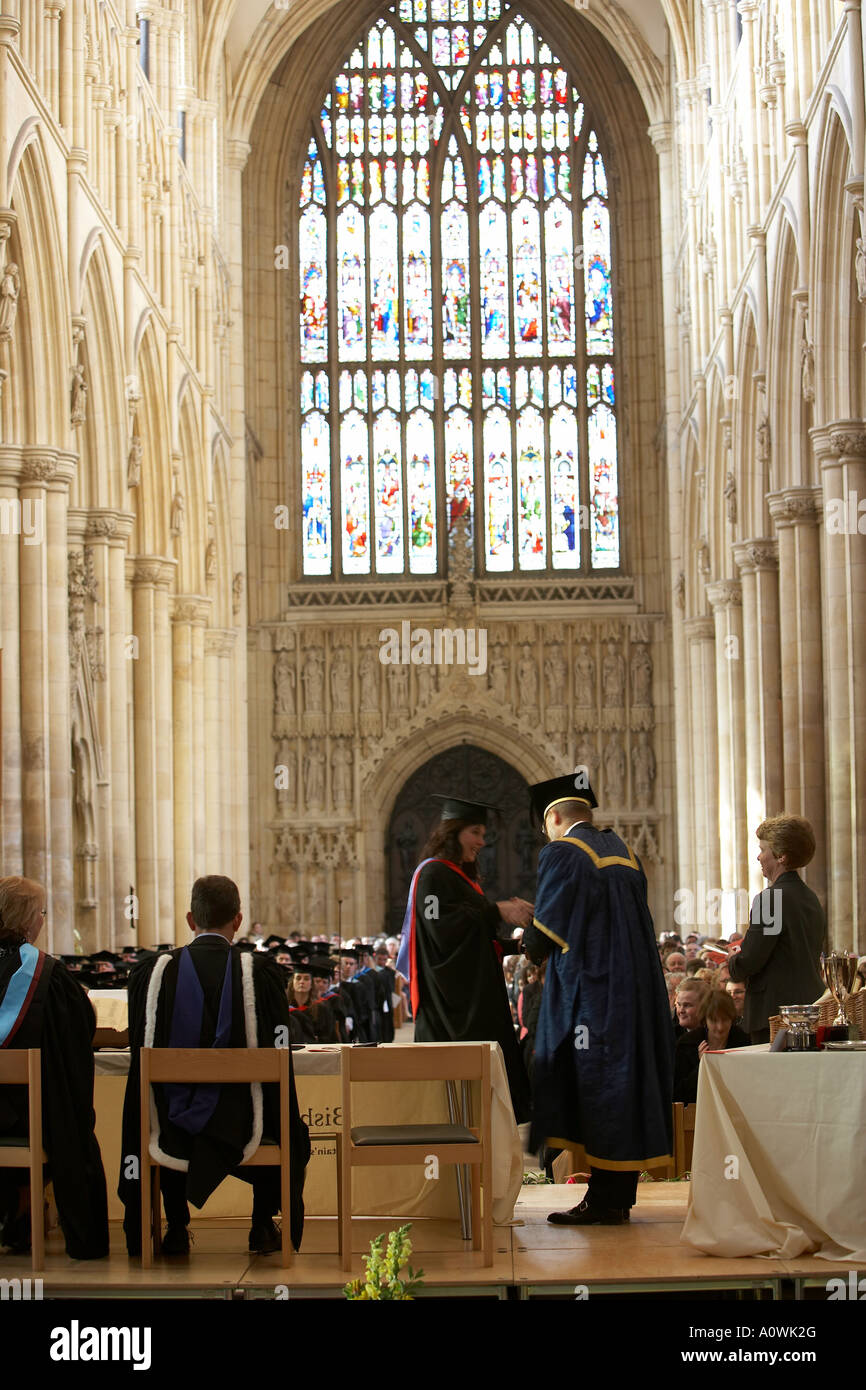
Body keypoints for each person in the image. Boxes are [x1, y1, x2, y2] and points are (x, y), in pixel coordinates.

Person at [118, 875, 310, 1256]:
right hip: (242, 1120)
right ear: (237, 921)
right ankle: (260, 1227)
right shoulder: (260, 974)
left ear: (191, 920)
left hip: (172, 1123)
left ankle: (175, 1228)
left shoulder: (153, 974)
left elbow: (139, 1047)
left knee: (160, 1109)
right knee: (284, 1121)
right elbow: (279, 1058)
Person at [523, 775, 673, 1225]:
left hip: (593, 993)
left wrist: (525, 942)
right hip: (636, 992)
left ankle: (603, 1202)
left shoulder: (563, 851)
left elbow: (547, 928)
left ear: (554, 818)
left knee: (596, 1087)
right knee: (622, 1087)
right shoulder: (625, 853)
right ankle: (615, 1197)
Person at [398, 794, 533, 1122]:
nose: (481, 842)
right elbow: (440, 927)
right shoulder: (432, 875)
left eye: (483, 834)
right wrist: (495, 910)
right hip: (450, 1013)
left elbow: (475, 942)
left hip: (474, 1003)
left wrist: (519, 948)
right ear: (453, 831)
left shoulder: (457, 878)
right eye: (475, 832)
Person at [0, 876, 109, 1259]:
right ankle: (28, 1216)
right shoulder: (46, 974)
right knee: (62, 1113)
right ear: (29, 920)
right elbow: (79, 1031)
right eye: (42, 912)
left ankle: (16, 1214)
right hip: (25, 1118)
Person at [727, 815, 826, 1043]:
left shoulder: (771, 899)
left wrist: (733, 960)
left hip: (775, 1015)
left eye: (763, 850)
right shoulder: (811, 898)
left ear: (781, 856)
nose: (758, 856)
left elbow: (750, 960)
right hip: (810, 1007)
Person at [673, 990, 750, 1103]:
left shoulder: (742, 1041)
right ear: (705, 1020)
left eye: (725, 1020)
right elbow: (679, 1094)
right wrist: (702, 1066)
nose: (720, 1027)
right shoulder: (687, 1044)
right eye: (714, 1021)